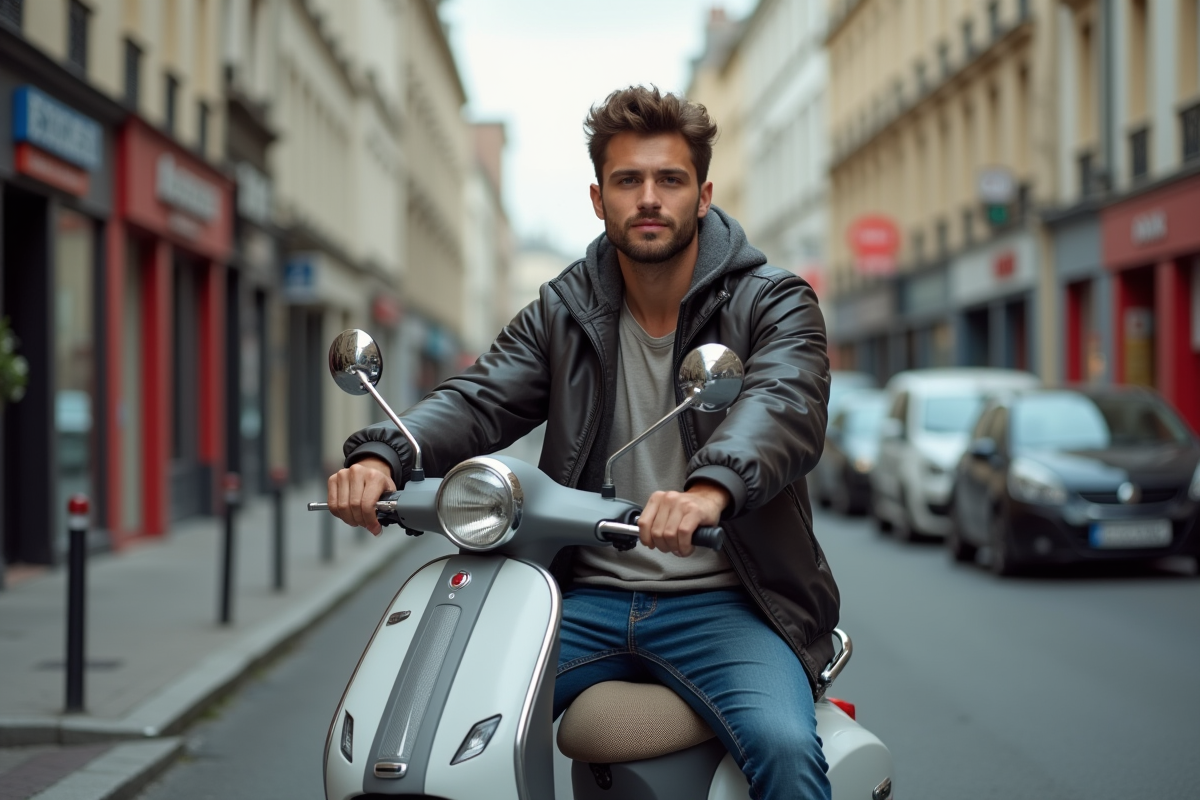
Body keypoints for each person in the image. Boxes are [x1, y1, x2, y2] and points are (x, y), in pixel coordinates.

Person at [326, 86, 838, 800]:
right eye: (628, 181)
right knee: (431, 718)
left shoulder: (771, 300)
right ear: (599, 199)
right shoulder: (564, 309)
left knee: (785, 750)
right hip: (577, 598)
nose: (649, 198)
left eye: (670, 179)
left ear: (703, 196)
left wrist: (708, 490)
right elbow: (482, 395)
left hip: (727, 600)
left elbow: (784, 403)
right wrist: (384, 453)